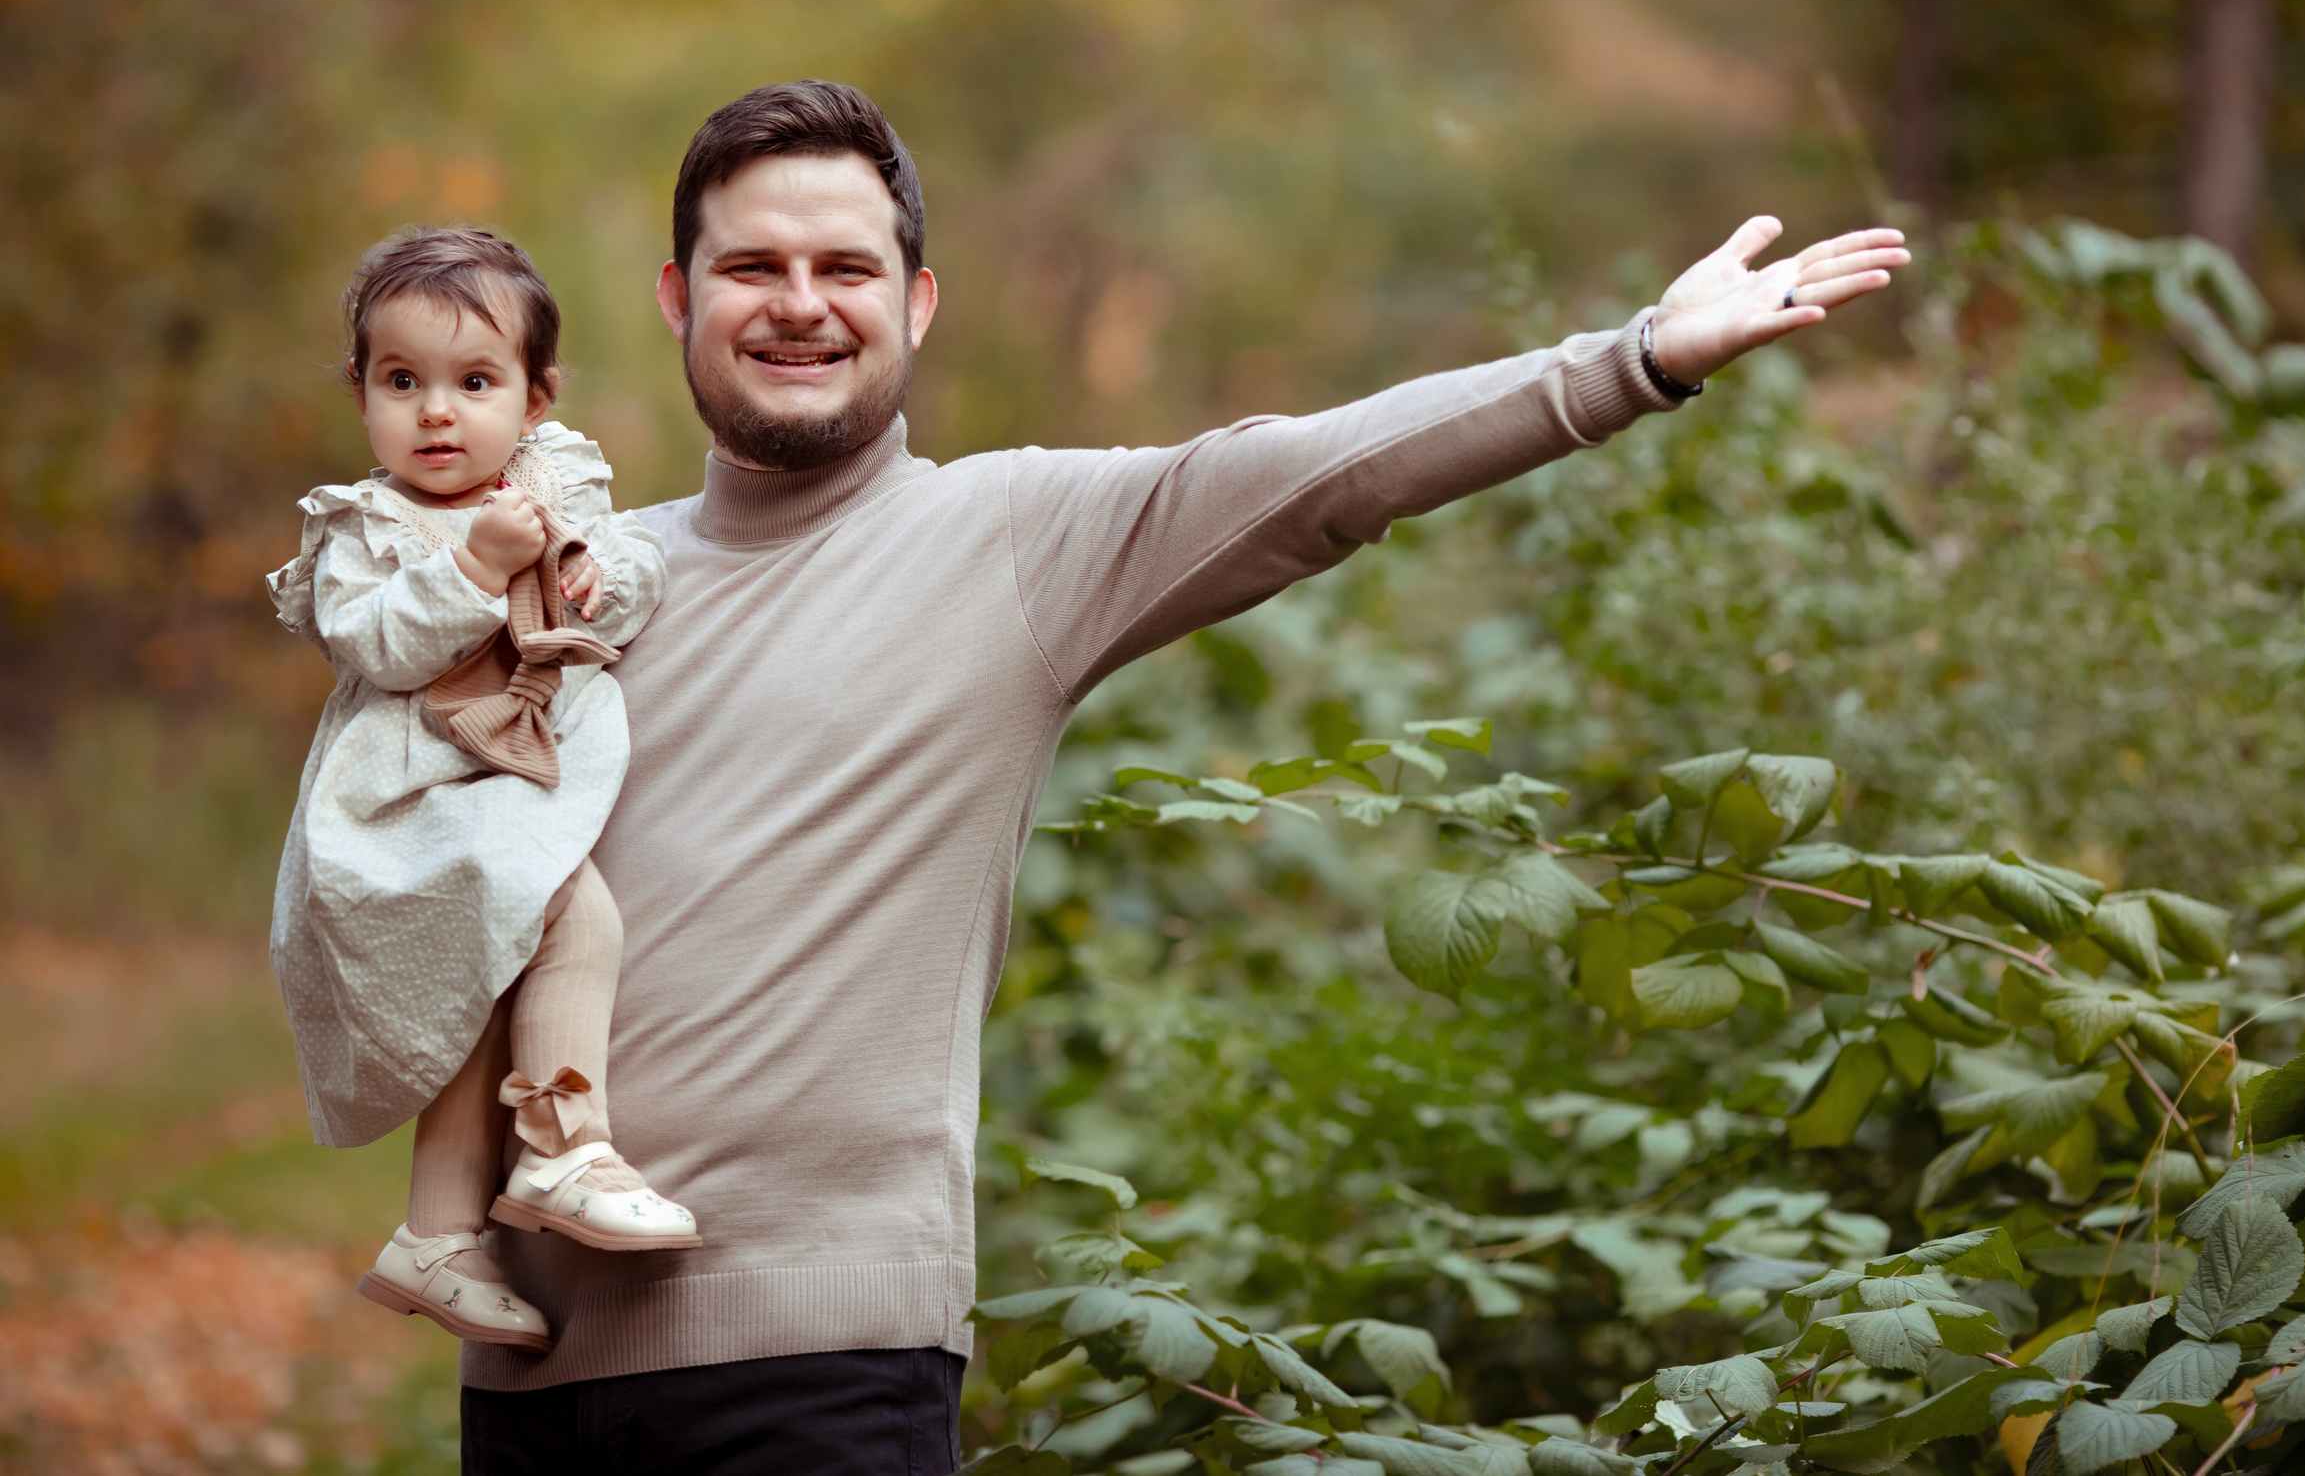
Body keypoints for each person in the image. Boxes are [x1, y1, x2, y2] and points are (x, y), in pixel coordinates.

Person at [454, 81, 1908, 1473]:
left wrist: (1636, 356)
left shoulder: (1010, 541)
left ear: (916, 300)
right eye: (750, 265)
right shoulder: (580, 579)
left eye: (847, 264)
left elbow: (1325, 473)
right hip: (520, 1364)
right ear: (673, 296)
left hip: (816, 1362)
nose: (798, 302)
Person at [267, 229, 702, 1361]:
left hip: (509, 776)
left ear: (534, 395)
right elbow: (377, 643)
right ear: (361, 394)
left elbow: (632, 579)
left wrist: (593, 580)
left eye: (475, 383)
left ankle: (437, 1236)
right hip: (409, 806)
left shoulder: (556, 482)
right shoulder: (363, 528)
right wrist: (470, 568)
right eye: (402, 383)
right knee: (570, 911)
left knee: (480, 990)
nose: (438, 414)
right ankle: (565, 1143)